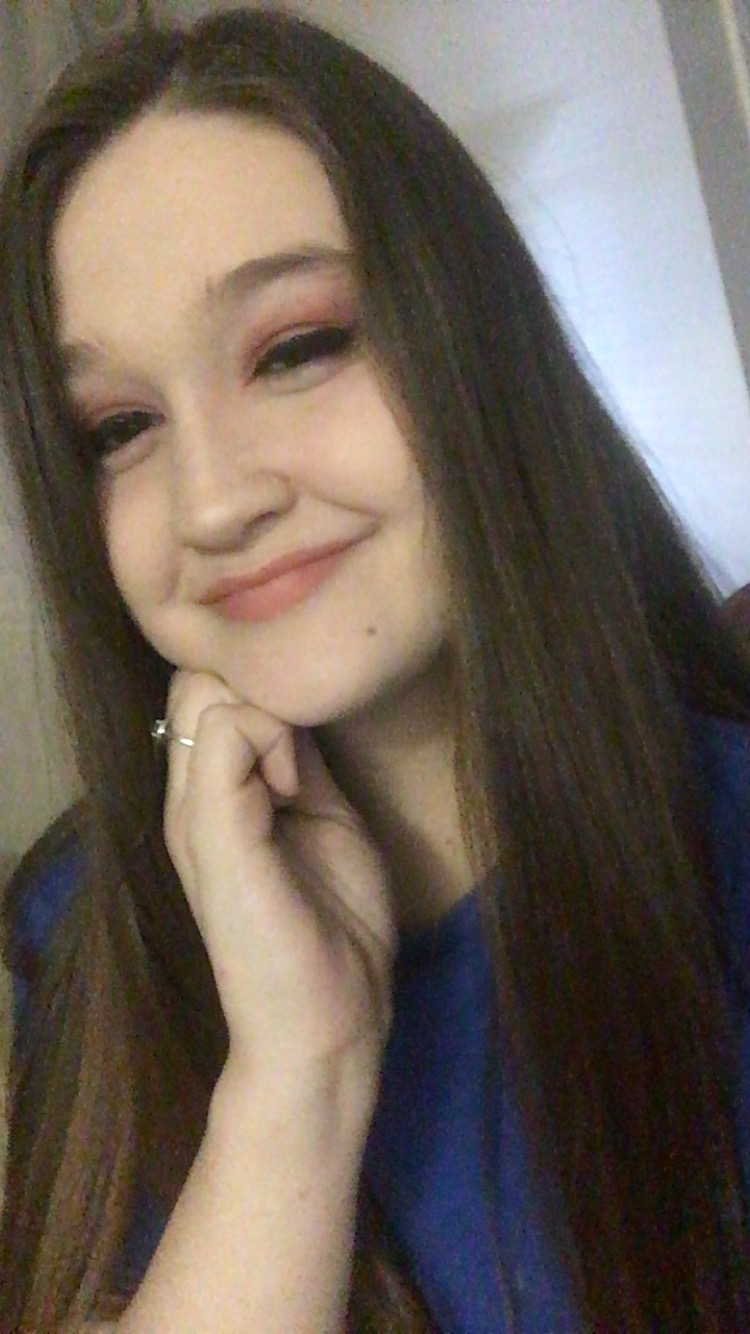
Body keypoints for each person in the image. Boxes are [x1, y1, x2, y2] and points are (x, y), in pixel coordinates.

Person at [0, 7, 749, 1332]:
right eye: (118, 427)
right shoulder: (81, 928)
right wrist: (297, 1075)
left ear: (479, 349)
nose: (213, 502)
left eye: (295, 349)